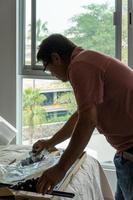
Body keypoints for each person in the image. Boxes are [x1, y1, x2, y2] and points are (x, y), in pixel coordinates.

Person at [32, 33, 133, 199]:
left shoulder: (80, 66)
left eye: (48, 68)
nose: (52, 75)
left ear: (56, 58)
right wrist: (50, 142)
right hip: (125, 152)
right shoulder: (86, 60)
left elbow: (87, 121)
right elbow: (81, 115)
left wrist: (60, 169)